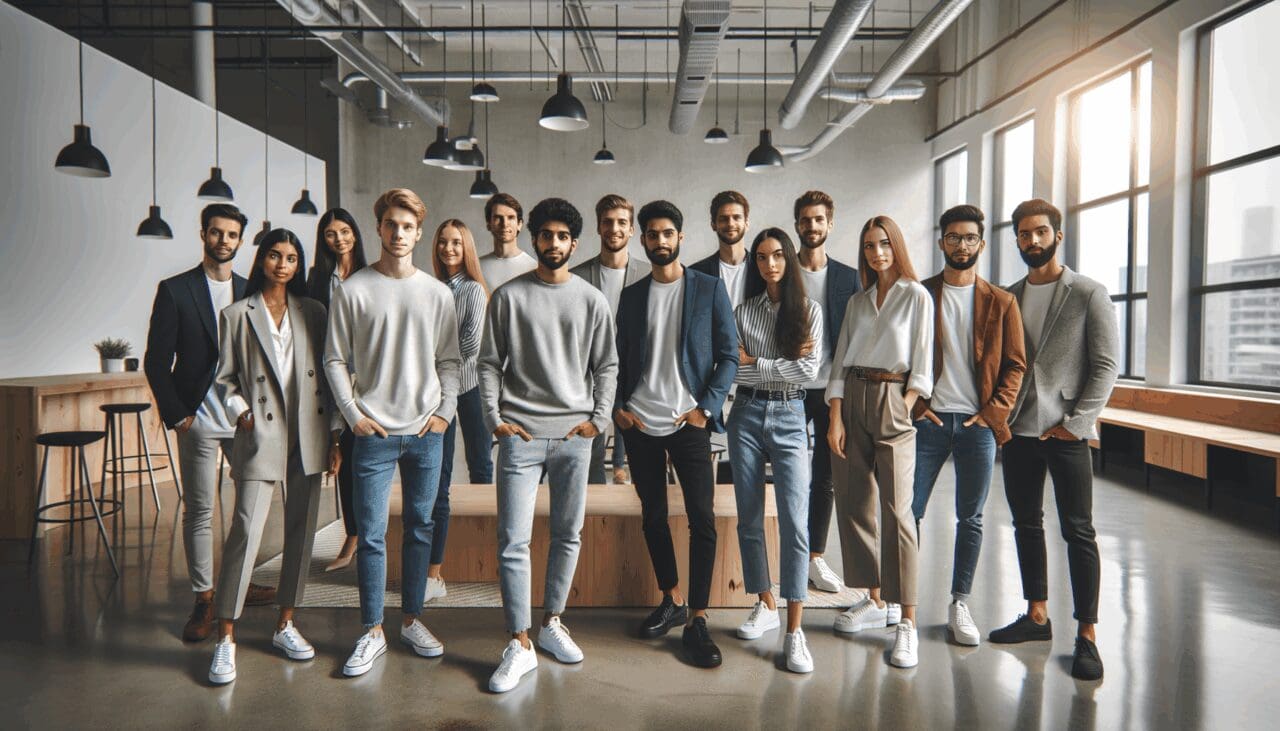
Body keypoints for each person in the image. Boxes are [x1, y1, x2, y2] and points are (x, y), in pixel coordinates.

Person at [478, 198, 618, 693]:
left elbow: (607, 365)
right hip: (521, 436)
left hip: (574, 437)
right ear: (533, 238)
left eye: (562, 236)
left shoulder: (591, 299)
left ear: (574, 243)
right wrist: (495, 419)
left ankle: (551, 622)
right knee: (512, 540)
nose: (554, 243)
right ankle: (519, 642)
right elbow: (488, 363)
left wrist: (599, 419)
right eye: (546, 235)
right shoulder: (508, 297)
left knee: (567, 533)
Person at [324, 188, 462, 677]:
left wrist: (445, 413)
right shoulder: (353, 289)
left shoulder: (438, 293)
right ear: (379, 228)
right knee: (371, 535)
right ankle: (372, 631)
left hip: (427, 430)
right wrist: (352, 414)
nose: (399, 233)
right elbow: (334, 358)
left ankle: (412, 620)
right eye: (391, 225)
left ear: (418, 233)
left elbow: (450, 360)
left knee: (421, 527)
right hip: (373, 432)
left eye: (407, 226)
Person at [989, 198, 1118, 682]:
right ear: (1017, 240)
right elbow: (999, 364)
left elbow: (1105, 366)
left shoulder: (1088, 293)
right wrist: (1000, 420)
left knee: (1078, 530)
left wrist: (1077, 423)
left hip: (1066, 431)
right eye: (1024, 234)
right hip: (1018, 431)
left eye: (1040, 232)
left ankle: (1087, 634)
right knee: (1026, 524)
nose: (1032, 240)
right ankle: (1036, 615)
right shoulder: (1008, 296)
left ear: (1057, 235)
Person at [207, 228, 343, 684]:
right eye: (274, 255)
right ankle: (225, 636)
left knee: (302, 532)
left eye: (290, 257)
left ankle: (286, 623)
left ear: (298, 264)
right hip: (260, 431)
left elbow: (332, 373)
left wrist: (336, 437)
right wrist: (240, 411)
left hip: (309, 431)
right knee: (246, 529)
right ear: (261, 260)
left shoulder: (314, 311)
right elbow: (224, 378)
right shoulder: (236, 314)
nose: (282, 264)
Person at [144, 203, 275, 644]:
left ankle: (237, 582)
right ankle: (204, 599)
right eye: (216, 232)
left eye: (232, 234)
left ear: (240, 240)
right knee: (200, 511)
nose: (224, 241)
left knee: (250, 508)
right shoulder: (175, 290)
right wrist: (179, 415)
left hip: (243, 420)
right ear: (204, 234)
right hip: (197, 419)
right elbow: (156, 361)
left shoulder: (249, 291)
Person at [615, 200, 738, 669]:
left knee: (702, 518)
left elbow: (729, 355)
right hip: (641, 423)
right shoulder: (632, 295)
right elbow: (618, 357)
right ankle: (673, 598)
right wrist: (619, 408)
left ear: (680, 237)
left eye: (668, 233)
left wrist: (706, 409)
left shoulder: (707, 287)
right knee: (653, 516)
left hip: (689, 422)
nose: (660, 241)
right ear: (643, 240)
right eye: (652, 234)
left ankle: (699, 619)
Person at [910, 205, 1026, 647]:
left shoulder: (1002, 302)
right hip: (929, 423)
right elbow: (900, 355)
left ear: (982, 243)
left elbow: (1015, 365)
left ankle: (960, 603)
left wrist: (994, 413)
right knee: (908, 513)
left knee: (971, 518)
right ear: (942, 242)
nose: (962, 245)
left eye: (970, 238)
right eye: (954, 237)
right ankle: (902, 603)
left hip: (978, 426)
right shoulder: (919, 294)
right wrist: (917, 407)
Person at [826, 215, 933, 669]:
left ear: (897, 245)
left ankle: (906, 619)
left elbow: (923, 363)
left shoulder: (916, 295)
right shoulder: (858, 301)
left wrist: (904, 406)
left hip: (893, 397)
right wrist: (835, 416)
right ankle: (874, 599)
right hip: (852, 395)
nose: (877, 253)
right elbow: (839, 362)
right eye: (869, 246)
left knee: (898, 511)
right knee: (854, 503)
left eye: (884, 243)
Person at [728, 228, 823, 674]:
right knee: (749, 517)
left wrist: (758, 362)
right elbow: (735, 371)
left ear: (790, 260)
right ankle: (765, 601)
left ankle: (794, 630)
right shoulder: (742, 312)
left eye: (778, 256)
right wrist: (772, 366)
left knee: (794, 522)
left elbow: (808, 373)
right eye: (763, 257)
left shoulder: (809, 311)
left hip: (790, 415)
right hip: (745, 415)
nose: (770, 264)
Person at [791, 190, 860, 594]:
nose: (812, 226)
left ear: (830, 224)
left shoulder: (849, 277)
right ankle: (789, 553)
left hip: (832, 390)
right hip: (790, 387)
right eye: (806, 219)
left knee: (825, 477)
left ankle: (815, 557)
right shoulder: (782, 270)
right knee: (788, 475)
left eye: (819, 219)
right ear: (797, 225)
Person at [426, 219, 491, 603]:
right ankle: (436, 567)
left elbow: (470, 345)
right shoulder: (431, 287)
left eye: (455, 242)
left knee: (481, 465)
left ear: (466, 247)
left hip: (469, 387)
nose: (448, 249)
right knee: (441, 473)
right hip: (437, 391)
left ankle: (483, 551)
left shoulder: (473, 290)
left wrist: (431, 362)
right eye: (442, 242)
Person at [305, 208, 368, 574]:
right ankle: (351, 535)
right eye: (331, 234)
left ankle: (367, 535)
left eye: (344, 231)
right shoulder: (316, 278)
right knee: (341, 455)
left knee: (365, 458)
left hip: (367, 375)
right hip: (330, 372)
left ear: (355, 233)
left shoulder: (370, 274)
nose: (339, 239)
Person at [571, 194, 649, 485]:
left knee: (643, 458)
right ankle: (592, 502)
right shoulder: (577, 276)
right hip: (590, 374)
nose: (614, 229)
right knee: (590, 454)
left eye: (621, 222)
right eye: (608, 222)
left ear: (631, 229)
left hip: (637, 374)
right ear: (598, 226)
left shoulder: (649, 273)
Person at [690, 190, 751, 311]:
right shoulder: (695, 273)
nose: (730, 224)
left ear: (746, 223)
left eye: (737, 217)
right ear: (713, 224)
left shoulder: (762, 269)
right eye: (723, 219)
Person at [478, 193, 536, 290]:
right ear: (488, 224)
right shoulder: (477, 267)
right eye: (498, 217)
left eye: (511, 217)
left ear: (519, 224)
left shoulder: (533, 267)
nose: (504, 224)